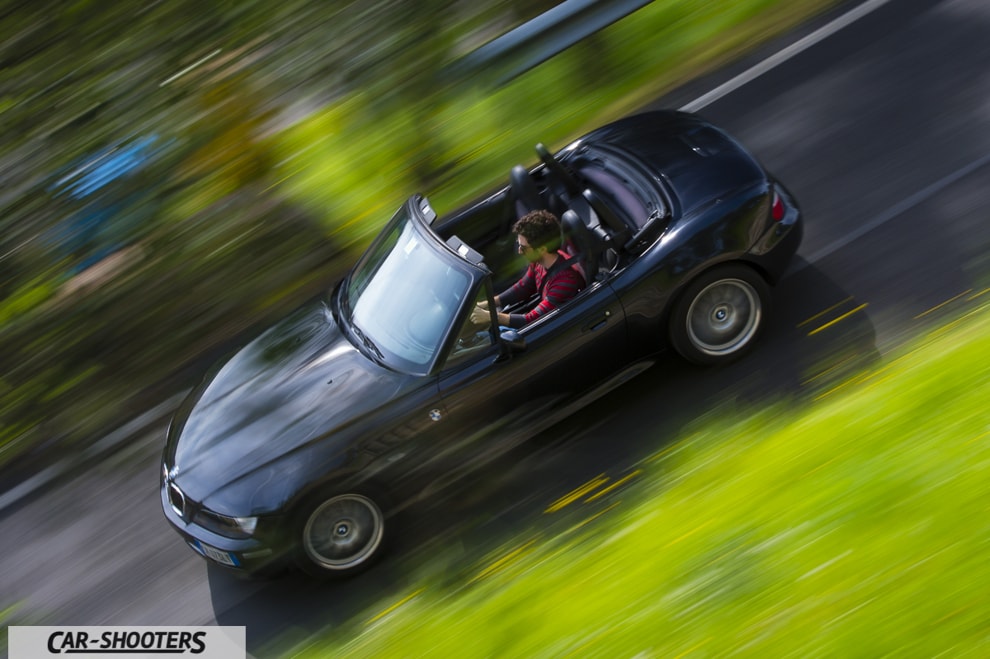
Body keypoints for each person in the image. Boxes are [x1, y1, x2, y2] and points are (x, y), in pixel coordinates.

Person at [471, 209, 585, 329]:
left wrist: (490, 316)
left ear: (542, 249)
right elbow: (524, 287)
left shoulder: (565, 281)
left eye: (523, 248)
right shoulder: (539, 261)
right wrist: (487, 304)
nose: (520, 251)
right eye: (518, 244)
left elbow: (532, 320)